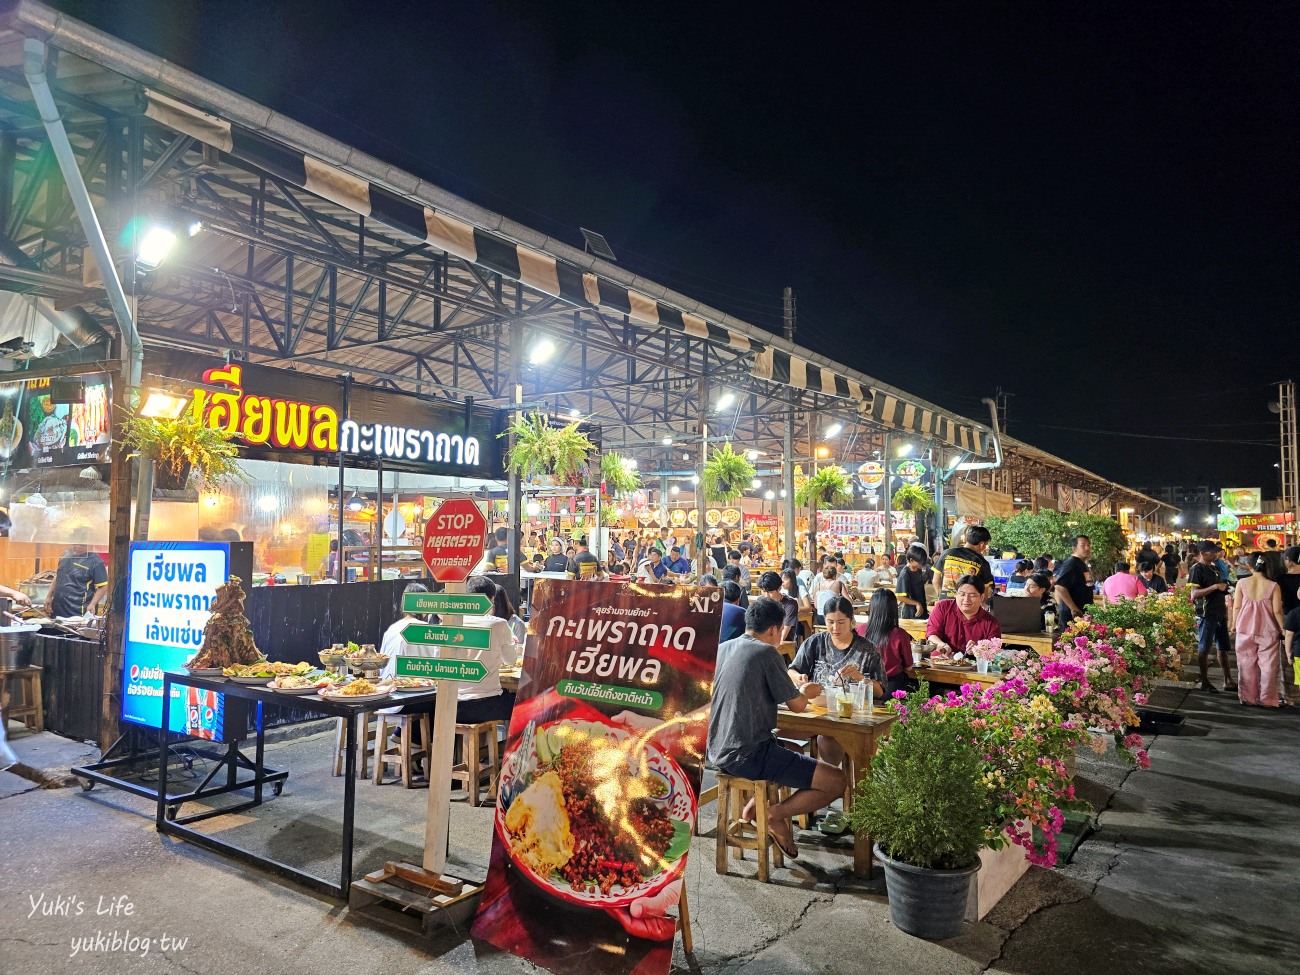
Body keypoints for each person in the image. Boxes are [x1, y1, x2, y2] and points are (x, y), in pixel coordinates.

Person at [708, 598, 848, 859]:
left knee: (793, 749)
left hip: (717, 750)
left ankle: (754, 807)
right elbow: (797, 705)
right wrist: (805, 692)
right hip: (748, 754)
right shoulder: (766, 652)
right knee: (837, 781)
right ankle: (772, 814)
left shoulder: (724, 648)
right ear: (774, 629)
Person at [788, 596, 884, 767]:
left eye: (841, 622)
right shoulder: (815, 642)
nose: (835, 628)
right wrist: (800, 679)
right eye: (830, 622)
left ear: (851, 620)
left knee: (828, 738)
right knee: (779, 733)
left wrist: (860, 678)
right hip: (814, 710)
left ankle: (831, 782)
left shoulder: (867, 649)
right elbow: (792, 670)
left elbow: (879, 691)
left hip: (848, 716)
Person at [1230, 554, 1284, 708]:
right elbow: (1277, 611)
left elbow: (1237, 606)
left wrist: (1234, 624)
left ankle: (1248, 698)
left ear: (1250, 566)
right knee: (1268, 666)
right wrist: (1283, 628)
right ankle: (1268, 699)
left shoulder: (1242, 583)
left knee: (1246, 664)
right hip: (1268, 630)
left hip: (1245, 629)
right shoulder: (1273, 585)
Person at [1189, 540, 1237, 693]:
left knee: (1223, 647)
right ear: (1203, 553)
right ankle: (1205, 681)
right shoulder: (1196, 569)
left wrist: (1226, 588)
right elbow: (1194, 594)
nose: (1216, 554)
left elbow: (1220, 587)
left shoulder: (1215, 568)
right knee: (1204, 647)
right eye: (1212, 552)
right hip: (1206, 613)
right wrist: (1216, 586)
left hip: (1219, 612)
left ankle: (1228, 680)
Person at [856, 587, 916, 698]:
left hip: (862, 687)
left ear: (872, 608)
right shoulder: (900, 634)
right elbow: (909, 667)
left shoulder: (859, 630)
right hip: (890, 689)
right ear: (893, 609)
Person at [925, 575, 1002, 654]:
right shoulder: (943, 607)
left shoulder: (991, 623)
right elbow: (932, 634)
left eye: (972, 596)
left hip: (973, 665)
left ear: (982, 597)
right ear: (956, 594)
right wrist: (943, 645)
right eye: (962, 594)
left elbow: (994, 651)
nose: (966, 600)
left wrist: (978, 649)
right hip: (940, 662)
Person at [45, 540, 108, 618]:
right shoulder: (66, 554)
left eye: (82, 544)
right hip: (57, 610)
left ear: (90, 544)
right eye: (75, 543)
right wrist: (49, 596)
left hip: (79, 612)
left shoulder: (96, 561)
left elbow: (103, 587)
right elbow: (59, 576)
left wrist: (92, 604)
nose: (78, 546)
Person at [934, 524, 995, 599]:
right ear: (981, 544)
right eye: (986, 544)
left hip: (945, 603)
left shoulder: (947, 553)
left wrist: (941, 597)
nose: (985, 547)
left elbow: (935, 581)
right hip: (967, 606)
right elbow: (984, 594)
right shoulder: (983, 563)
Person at [1052, 535, 1094, 626]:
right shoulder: (1071, 563)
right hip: (1072, 615)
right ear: (1074, 549)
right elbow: (1059, 587)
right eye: (1083, 545)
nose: (1087, 548)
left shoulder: (1082, 564)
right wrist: (1073, 608)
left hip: (1082, 613)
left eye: (1089, 545)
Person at [758, 570, 800, 643]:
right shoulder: (760, 601)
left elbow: (783, 635)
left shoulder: (790, 604)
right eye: (764, 591)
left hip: (783, 644)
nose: (766, 596)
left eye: (770, 592)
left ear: (779, 588)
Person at [894, 548, 929, 620]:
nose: (922, 564)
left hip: (920, 608)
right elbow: (900, 597)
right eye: (920, 562)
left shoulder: (918, 570)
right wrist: (917, 603)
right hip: (908, 611)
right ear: (911, 560)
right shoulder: (904, 574)